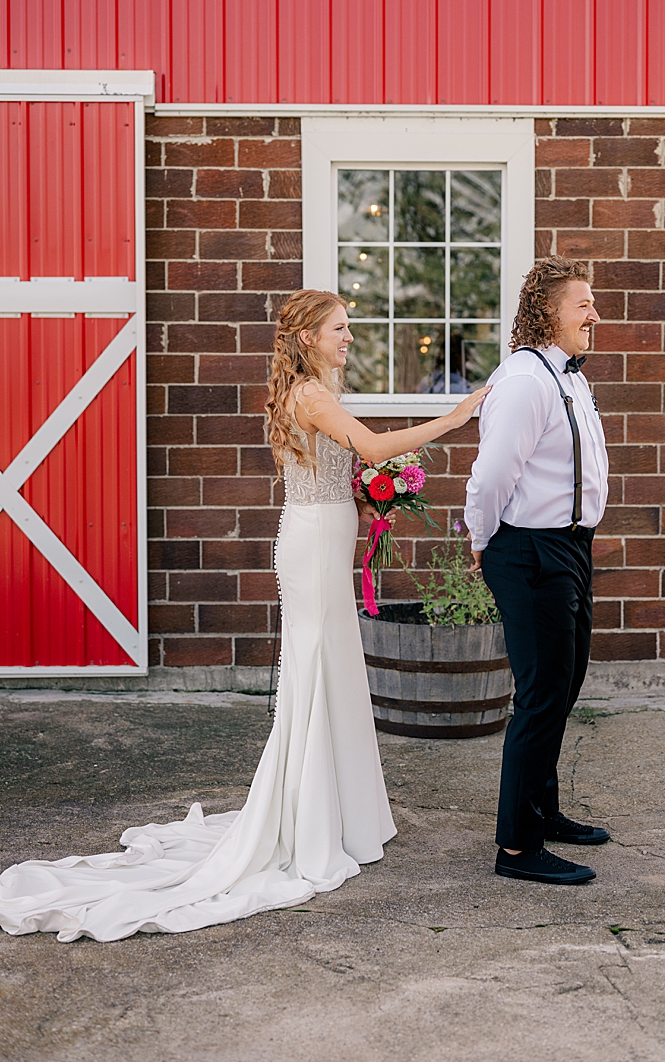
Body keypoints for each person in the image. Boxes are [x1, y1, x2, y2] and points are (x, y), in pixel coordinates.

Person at [0, 290, 488, 942]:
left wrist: (370, 500)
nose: (349, 337)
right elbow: (371, 447)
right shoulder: (312, 395)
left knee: (332, 671)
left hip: (320, 537)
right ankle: (314, 826)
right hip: (312, 548)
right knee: (316, 672)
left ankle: (338, 816)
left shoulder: (312, 390)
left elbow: (338, 464)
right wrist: (455, 417)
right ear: (309, 336)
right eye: (340, 328)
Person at [464, 256, 610, 886]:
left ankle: (543, 812)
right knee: (542, 694)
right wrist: (482, 540)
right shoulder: (524, 379)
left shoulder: (570, 378)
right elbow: (492, 475)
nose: (594, 314)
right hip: (530, 551)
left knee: (565, 684)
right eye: (583, 304)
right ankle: (518, 848)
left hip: (572, 547)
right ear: (550, 311)